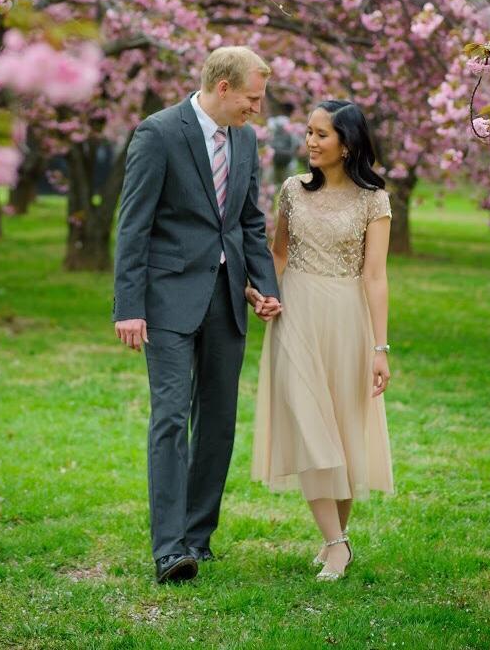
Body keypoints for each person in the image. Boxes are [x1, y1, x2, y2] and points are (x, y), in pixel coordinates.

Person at [113, 45, 282, 584]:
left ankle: (197, 537)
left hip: (227, 297)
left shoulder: (246, 140)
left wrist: (264, 286)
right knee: (169, 419)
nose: (257, 109)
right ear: (224, 87)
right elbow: (133, 225)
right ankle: (169, 550)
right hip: (165, 301)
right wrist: (129, 307)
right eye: (252, 99)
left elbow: (249, 222)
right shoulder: (158, 133)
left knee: (218, 422)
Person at [251, 100, 394, 582]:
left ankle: (337, 542)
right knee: (311, 427)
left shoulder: (375, 200)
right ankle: (336, 543)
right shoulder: (292, 190)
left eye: (321, 135)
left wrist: (380, 348)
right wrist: (264, 295)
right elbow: (279, 253)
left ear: (347, 143)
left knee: (345, 431)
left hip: (347, 320)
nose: (309, 142)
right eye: (308, 132)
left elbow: (376, 277)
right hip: (296, 316)